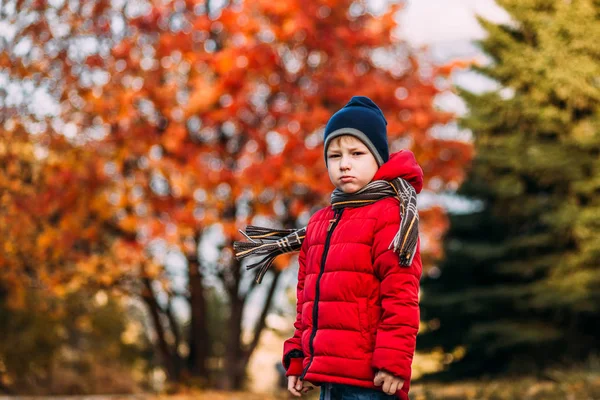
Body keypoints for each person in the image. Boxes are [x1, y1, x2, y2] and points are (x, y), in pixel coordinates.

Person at [234, 96, 423, 400]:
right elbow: (306, 303)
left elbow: (401, 296)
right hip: (329, 378)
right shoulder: (321, 223)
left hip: (372, 380)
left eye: (357, 153)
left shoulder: (390, 215)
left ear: (379, 158)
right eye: (334, 156)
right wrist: (297, 360)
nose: (344, 163)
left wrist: (393, 361)